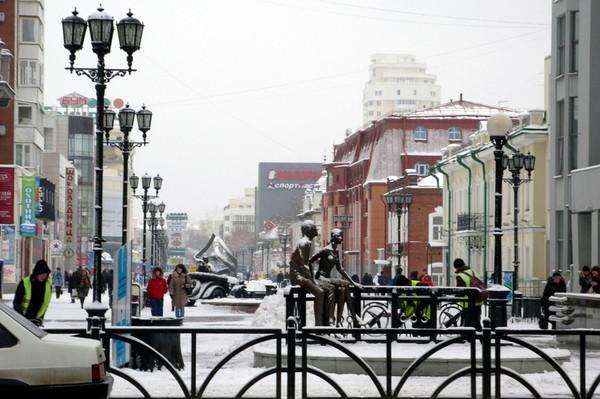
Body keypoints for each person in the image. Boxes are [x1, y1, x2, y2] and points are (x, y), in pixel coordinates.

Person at [289, 220, 326, 326]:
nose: (316, 229)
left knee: (323, 289)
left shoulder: (307, 242)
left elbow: (308, 264)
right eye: (314, 227)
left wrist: (313, 280)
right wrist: (312, 281)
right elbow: (304, 266)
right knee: (320, 293)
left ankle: (322, 323)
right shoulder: (304, 243)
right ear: (308, 230)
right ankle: (319, 326)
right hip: (298, 277)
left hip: (302, 275)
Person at [13, 260, 53, 324]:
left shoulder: (48, 284)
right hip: (23, 318)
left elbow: (45, 303)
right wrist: (20, 317)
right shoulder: (25, 282)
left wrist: (41, 318)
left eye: (45, 275)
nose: (43, 277)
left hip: (37, 319)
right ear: (36, 273)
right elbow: (16, 301)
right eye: (41, 274)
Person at [454, 258, 483, 331]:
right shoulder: (474, 272)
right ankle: (483, 339)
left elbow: (461, 290)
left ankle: (467, 338)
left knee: (467, 323)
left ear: (456, 267)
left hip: (468, 302)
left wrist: (455, 298)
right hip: (478, 300)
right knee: (477, 322)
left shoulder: (460, 275)